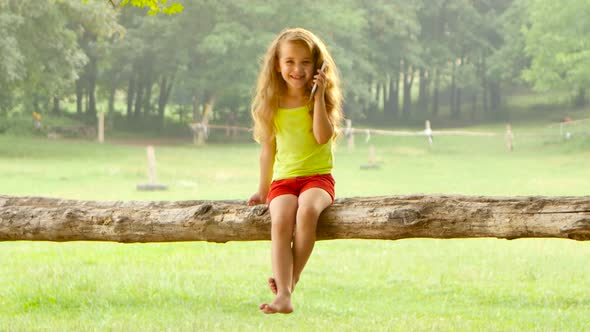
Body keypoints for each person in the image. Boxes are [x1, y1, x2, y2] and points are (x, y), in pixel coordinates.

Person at [247, 27, 343, 314]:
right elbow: (268, 151)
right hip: (284, 181)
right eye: (289, 61)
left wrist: (318, 96)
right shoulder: (272, 103)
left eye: (305, 62)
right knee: (280, 220)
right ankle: (285, 292)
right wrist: (263, 189)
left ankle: (288, 284)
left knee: (308, 211)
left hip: (318, 178)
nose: (297, 69)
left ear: (317, 67)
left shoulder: (320, 100)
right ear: (277, 65)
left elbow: (322, 137)